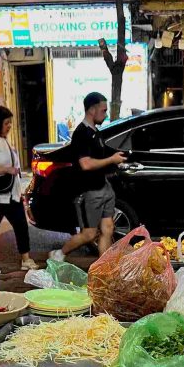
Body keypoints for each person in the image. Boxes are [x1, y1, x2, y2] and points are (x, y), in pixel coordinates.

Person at [49, 92, 126, 263]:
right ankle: (59, 254)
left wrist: (116, 162)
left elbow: (101, 156)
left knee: (108, 228)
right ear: (92, 109)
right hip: (89, 192)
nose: (105, 115)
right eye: (103, 111)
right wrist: (112, 160)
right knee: (89, 234)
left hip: (104, 188)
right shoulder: (81, 134)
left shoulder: (95, 132)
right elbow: (86, 164)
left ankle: (103, 267)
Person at [0, 105, 37, 271]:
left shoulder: (2, 139)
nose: (10, 126)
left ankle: (25, 259)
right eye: (7, 123)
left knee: (20, 225)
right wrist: (7, 170)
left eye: (10, 122)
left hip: (11, 193)